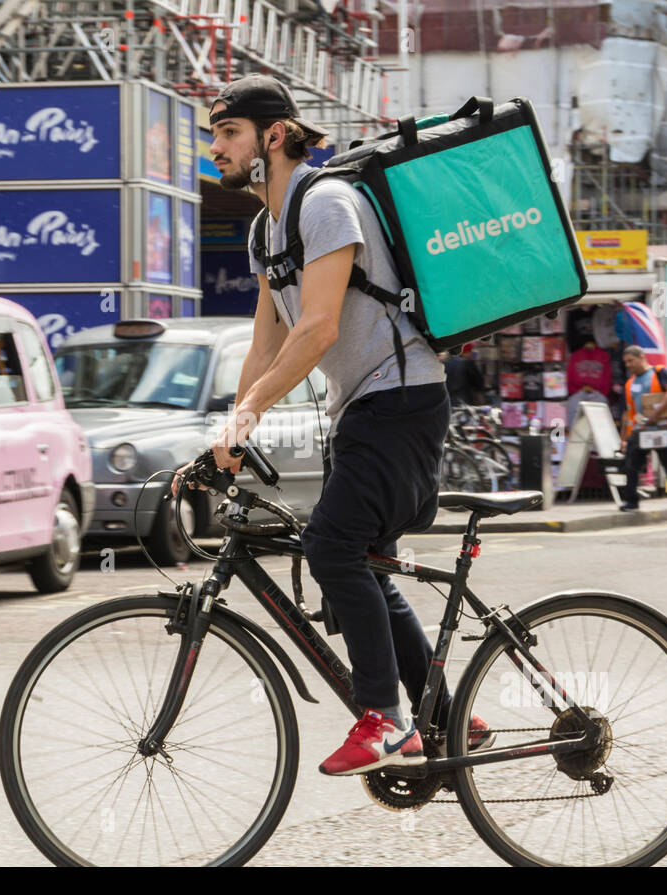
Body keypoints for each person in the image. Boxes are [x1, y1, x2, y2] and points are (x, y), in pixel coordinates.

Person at [181, 74, 491, 776]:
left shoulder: (327, 204)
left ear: (276, 136)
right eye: (214, 137)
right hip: (363, 412)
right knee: (360, 559)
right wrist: (230, 435)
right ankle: (446, 715)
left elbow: (316, 328)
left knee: (332, 547)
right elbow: (264, 343)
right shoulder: (267, 231)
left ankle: (385, 721)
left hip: (403, 402)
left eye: (228, 134)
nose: (217, 150)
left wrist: (250, 416)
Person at [617, 345, 667, 523]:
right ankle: (631, 501)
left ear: (642, 357)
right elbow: (627, 413)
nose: (628, 365)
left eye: (631, 360)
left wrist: (656, 414)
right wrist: (624, 439)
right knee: (631, 465)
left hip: (662, 430)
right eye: (626, 362)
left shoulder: (659, 372)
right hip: (640, 431)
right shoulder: (630, 383)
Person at [443, 343, 485, 407]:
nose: (471, 354)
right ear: (464, 352)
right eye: (470, 351)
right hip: (464, 402)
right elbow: (479, 383)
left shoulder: (445, 363)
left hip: (448, 403)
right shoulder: (467, 363)